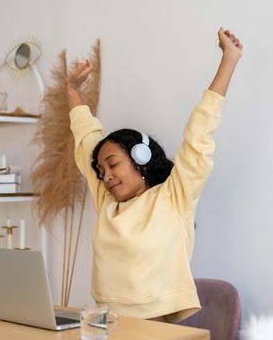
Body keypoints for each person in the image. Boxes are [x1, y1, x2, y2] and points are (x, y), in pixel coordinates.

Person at [67, 28, 242, 323]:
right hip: (105, 324)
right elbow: (86, 136)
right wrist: (72, 90)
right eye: (101, 170)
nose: (105, 176)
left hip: (155, 328)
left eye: (112, 164)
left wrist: (229, 59)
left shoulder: (174, 197)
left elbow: (199, 134)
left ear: (141, 159)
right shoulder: (108, 203)